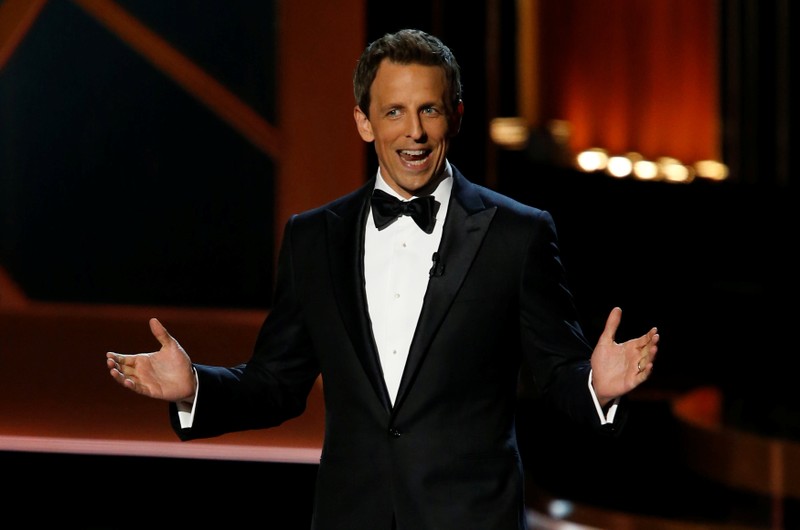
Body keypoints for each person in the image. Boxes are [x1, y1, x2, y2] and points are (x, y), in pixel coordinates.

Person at [106, 28, 659, 530]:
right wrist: (195, 388)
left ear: (457, 117)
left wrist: (597, 387)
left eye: (430, 111)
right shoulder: (312, 239)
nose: (414, 132)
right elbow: (276, 383)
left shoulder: (518, 235)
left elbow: (557, 370)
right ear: (364, 122)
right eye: (394, 112)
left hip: (469, 517)